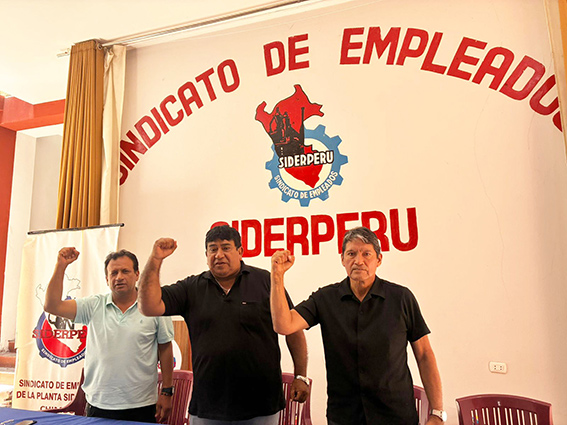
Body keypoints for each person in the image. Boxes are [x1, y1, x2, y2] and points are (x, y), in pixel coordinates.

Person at [270, 226, 446, 425]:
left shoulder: (401, 298)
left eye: (366, 254)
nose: (359, 261)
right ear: (342, 259)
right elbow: (284, 325)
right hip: (344, 416)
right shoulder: (325, 298)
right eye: (351, 254)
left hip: (396, 415)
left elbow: (424, 355)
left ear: (379, 260)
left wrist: (437, 412)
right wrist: (277, 277)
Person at [137, 225, 309, 425]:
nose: (219, 255)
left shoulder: (266, 282)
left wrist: (300, 376)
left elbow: (293, 330)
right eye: (213, 249)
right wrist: (155, 259)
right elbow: (147, 306)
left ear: (240, 251)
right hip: (207, 407)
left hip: (261, 405)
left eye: (226, 248)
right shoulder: (191, 288)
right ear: (206, 255)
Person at [44, 248, 175, 423]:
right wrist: (61, 266)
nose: (119, 277)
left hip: (142, 404)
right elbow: (52, 306)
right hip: (99, 404)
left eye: (125, 271)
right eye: (113, 273)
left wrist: (167, 391)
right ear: (107, 279)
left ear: (137, 274)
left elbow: (165, 348)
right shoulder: (93, 306)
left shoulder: (154, 307)